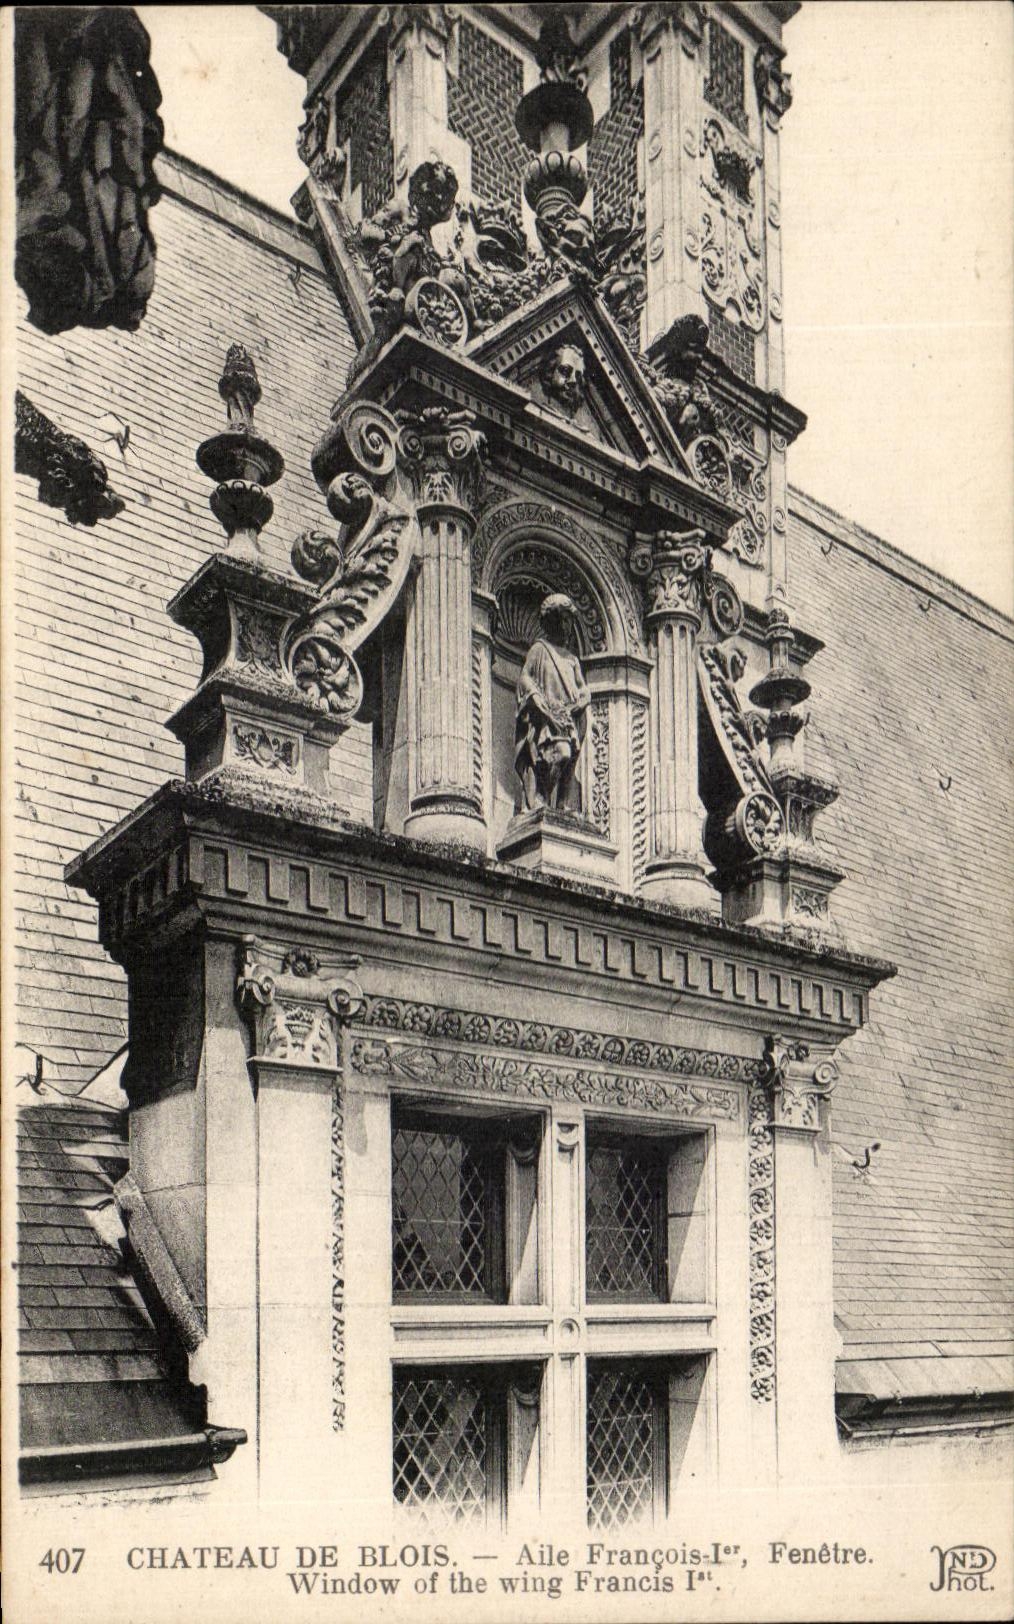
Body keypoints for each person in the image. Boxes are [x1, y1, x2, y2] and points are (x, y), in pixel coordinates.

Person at [514, 594, 590, 813]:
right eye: (564, 619)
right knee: (559, 754)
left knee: (570, 757)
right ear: (553, 620)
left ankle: (562, 803)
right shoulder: (539, 649)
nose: (568, 626)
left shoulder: (572, 659)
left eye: (569, 621)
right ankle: (541, 796)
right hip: (548, 715)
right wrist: (537, 699)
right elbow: (525, 677)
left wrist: (585, 698)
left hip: (570, 717)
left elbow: (582, 686)